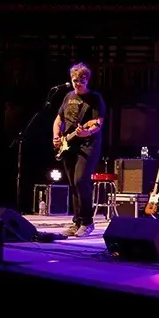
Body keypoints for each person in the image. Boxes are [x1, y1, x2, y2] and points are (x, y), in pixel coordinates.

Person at [52, 63, 106, 238]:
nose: (77, 84)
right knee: (73, 184)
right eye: (75, 81)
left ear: (87, 80)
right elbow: (59, 118)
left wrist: (87, 131)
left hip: (88, 145)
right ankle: (77, 222)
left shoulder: (95, 98)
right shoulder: (68, 97)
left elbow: (98, 122)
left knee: (81, 180)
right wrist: (56, 136)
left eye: (81, 81)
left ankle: (87, 222)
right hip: (68, 145)